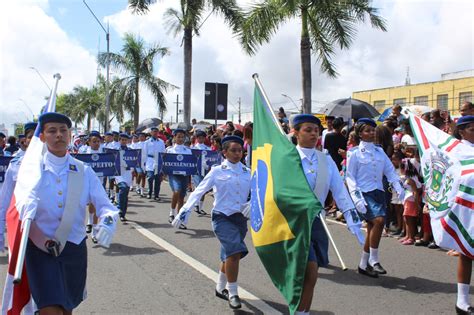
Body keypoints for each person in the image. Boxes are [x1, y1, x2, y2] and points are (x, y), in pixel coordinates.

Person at [22, 112, 119, 314]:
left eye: (63, 130)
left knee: (67, 308)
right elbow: (17, 205)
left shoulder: (84, 171)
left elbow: (106, 206)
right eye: (52, 131)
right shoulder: (31, 170)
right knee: (50, 309)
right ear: (43, 137)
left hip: (73, 248)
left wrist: (108, 221)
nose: (58, 135)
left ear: (69, 134)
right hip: (39, 249)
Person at [290, 114, 364, 314]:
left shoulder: (326, 160)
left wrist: (352, 218)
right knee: (310, 271)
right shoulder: (288, 158)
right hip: (293, 223)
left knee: (310, 274)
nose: (314, 134)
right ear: (295, 132)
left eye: (317, 130)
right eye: (308, 130)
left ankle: (301, 311)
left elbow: (339, 191)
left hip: (316, 222)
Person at [172, 135, 251, 310]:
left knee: (229, 254)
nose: (238, 153)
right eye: (233, 150)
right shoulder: (217, 171)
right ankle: (233, 293)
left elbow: (260, 193)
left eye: (240, 150)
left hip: (240, 219)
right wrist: (185, 210)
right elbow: (199, 190)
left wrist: (252, 203)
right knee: (234, 252)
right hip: (222, 217)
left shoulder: (248, 172)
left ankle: (219, 287)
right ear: (224, 152)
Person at [346, 118, 405, 277]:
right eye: (367, 130)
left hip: (379, 192)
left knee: (373, 228)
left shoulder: (380, 152)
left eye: (373, 130)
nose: (371, 133)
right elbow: (350, 178)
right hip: (364, 193)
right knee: (379, 221)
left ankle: (363, 265)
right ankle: (374, 259)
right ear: (360, 134)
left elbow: (390, 172)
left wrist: (398, 188)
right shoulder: (354, 153)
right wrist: (356, 198)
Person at [0, 122, 37, 253]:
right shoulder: (15, 165)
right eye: (31, 136)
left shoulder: (60, 165)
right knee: (18, 270)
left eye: (39, 136)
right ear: (25, 141)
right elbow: (5, 201)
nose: (35, 140)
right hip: (19, 226)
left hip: (48, 232)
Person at [453, 115, 474, 314]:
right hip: (465, 205)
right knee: (467, 252)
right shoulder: (456, 150)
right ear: (461, 131)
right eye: (472, 130)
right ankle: (462, 301)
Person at [166, 129, 192, 226]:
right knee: (176, 191)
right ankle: (172, 213)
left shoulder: (188, 150)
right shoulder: (169, 150)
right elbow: (166, 163)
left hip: (184, 175)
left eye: (182, 137)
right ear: (174, 137)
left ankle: (179, 218)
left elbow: (190, 165)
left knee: (181, 197)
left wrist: (189, 181)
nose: (180, 139)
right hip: (173, 175)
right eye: (178, 136)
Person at [191, 130, 211, 214]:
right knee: (199, 187)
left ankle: (200, 206)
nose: (201, 139)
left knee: (204, 189)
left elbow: (211, 159)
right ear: (196, 138)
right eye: (199, 137)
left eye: (202, 137)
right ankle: (196, 204)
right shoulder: (193, 148)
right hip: (196, 171)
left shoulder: (208, 148)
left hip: (205, 170)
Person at [144, 127, 166, 200]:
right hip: (150, 160)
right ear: (151, 133)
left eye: (156, 132)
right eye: (153, 132)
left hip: (158, 161)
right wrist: (144, 163)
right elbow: (144, 153)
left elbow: (163, 152)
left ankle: (156, 195)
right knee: (150, 177)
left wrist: (163, 163)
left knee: (157, 179)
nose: (155, 133)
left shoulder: (161, 142)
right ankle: (149, 192)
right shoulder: (147, 142)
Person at [115, 133, 133, 221]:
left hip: (127, 173)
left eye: (125, 140)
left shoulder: (131, 151)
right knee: (123, 188)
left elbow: (135, 161)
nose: (124, 141)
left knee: (126, 193)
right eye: (122, 140)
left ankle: (123, 213)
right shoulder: (115, 150)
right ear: (119, 140)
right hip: (119, 173)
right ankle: (120, 210)